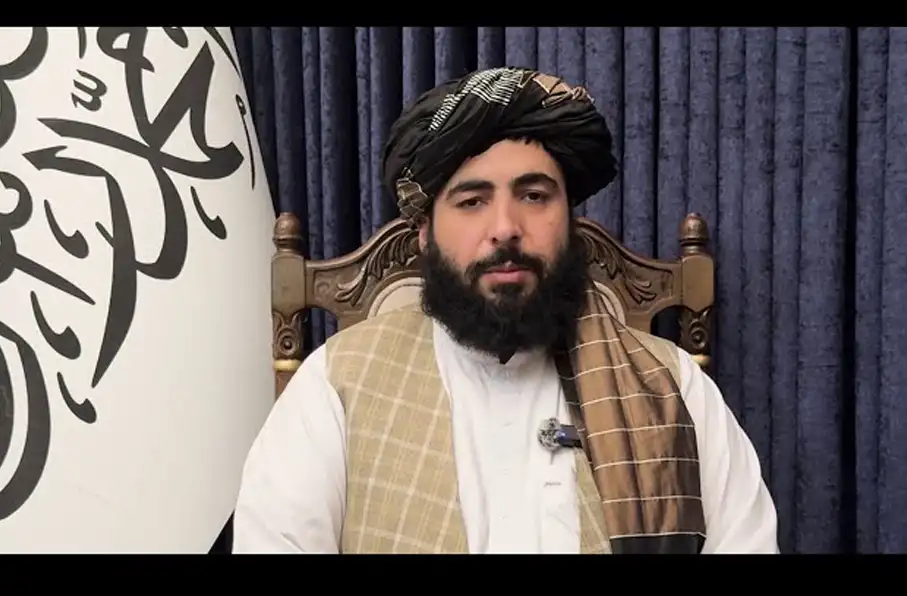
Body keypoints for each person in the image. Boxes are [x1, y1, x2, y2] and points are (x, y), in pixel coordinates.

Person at [232, 67, 779, 555]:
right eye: (472, 201)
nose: (505, 228)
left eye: (534, 196)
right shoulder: (335, 386)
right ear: (423, 232)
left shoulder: (670, 386)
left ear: (570, 219)